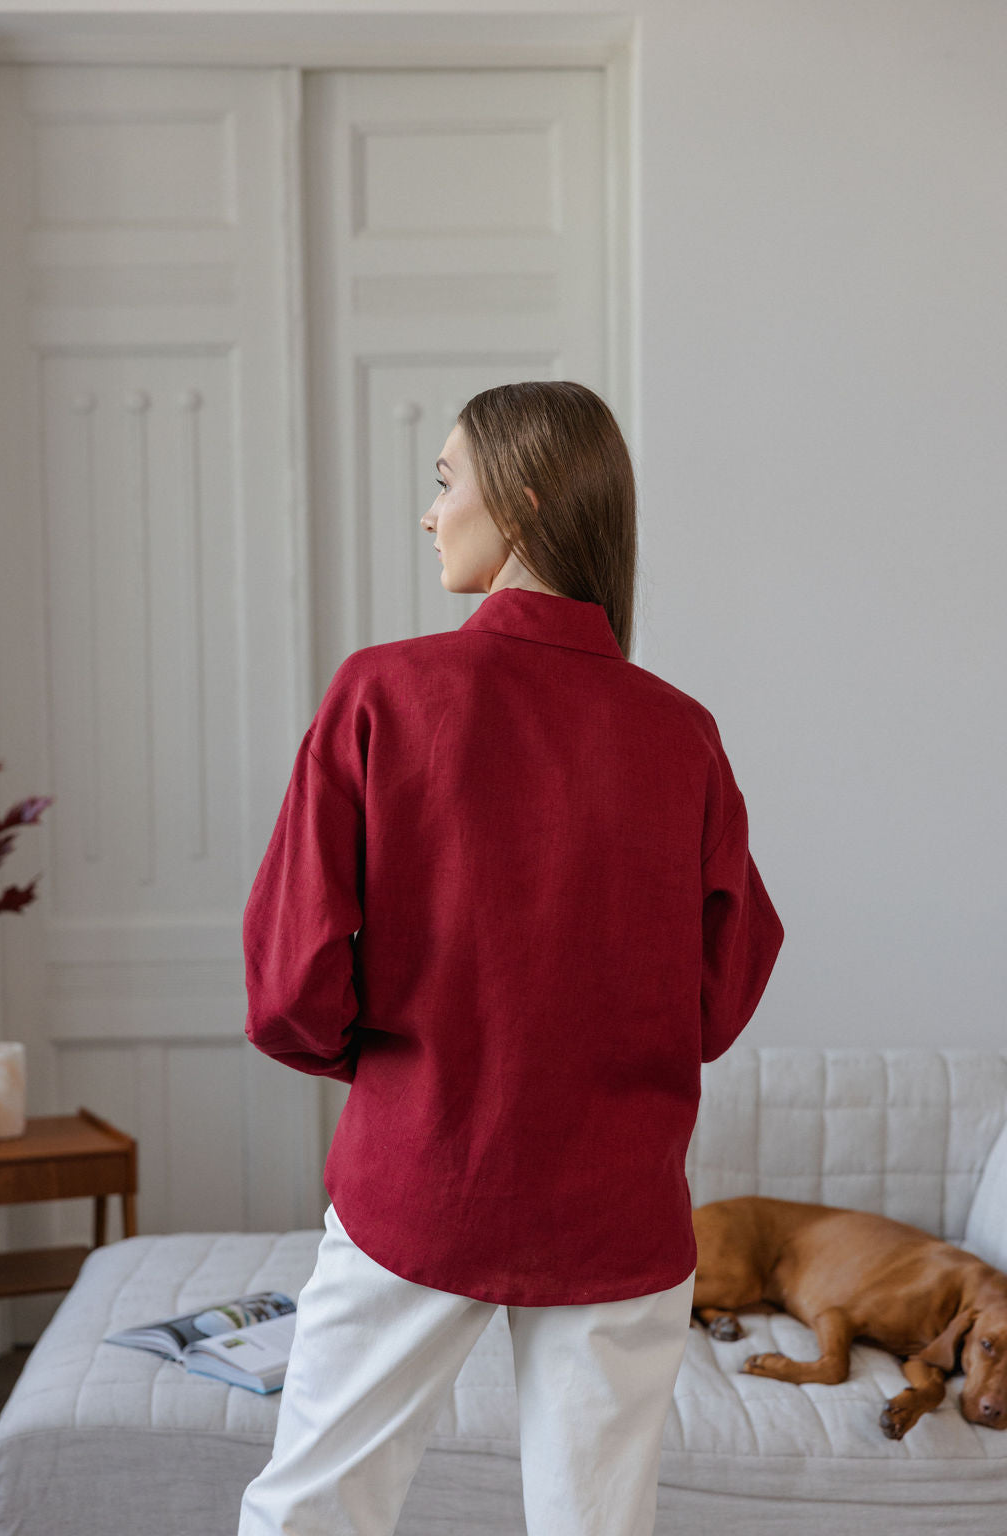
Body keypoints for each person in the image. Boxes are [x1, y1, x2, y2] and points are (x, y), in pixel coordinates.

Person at [237, 380, 784, 1536]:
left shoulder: (384, 691)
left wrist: (399, 1069)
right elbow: (724, 988)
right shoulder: (680, 731)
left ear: (524, 502)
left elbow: (291, 982)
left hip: (423, 1173)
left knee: (315, 1511)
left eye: (445, 481)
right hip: (620, 1206)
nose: (430, 514)